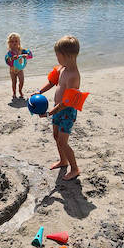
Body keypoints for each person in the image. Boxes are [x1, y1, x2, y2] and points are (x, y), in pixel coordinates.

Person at [35, 35, 81, 180]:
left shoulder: (73, 76)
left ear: (67, 55)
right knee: (56, 136)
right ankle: (63, 161)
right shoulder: (62, 68)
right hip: (57, 108)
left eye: (57, 55)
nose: (56, 57)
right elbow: (51, 82)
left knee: (63, 141)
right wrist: (40, 91)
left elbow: (67, 102)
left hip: (66, 111)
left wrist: (49, 113)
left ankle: (74, 168)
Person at [5, 33, 32, 99]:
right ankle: (14, 93)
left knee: (22, 81)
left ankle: (20, 90)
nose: (14, 43)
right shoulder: (10, 52)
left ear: (19, 42)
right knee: (14, 82)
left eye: (16, 41)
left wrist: (26, 56)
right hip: (12, 70)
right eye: (12, 41)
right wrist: (12, 58)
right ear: (9, 43)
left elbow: (30, 55)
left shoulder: (21, 50)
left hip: (20, 69)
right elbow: (7, 60)